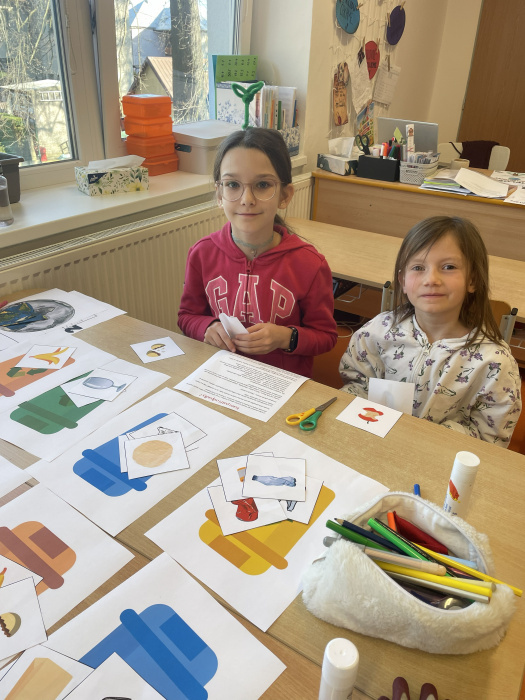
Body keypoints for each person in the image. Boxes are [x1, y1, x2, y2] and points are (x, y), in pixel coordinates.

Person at [339, 216, 522, 447]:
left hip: (441, 458)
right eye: (418, 268)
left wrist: (423, 436)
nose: (431, 279)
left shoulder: (494, 362)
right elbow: (356, 384)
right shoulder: (377, 331)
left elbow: (490, 438)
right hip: (370, 444)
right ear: (403, 281)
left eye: (448, 267)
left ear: (472, 280)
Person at [178, 128, 338, 377]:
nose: (247, 199)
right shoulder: (202, 254)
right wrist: (207, 327)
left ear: (285, 195)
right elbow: (187, 316)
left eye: (262, 185)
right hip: (222, 376)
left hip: (280, 384)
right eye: (233, 185)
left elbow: (326, 336)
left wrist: (286, 337)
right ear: (220, 195)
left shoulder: (310, 264)